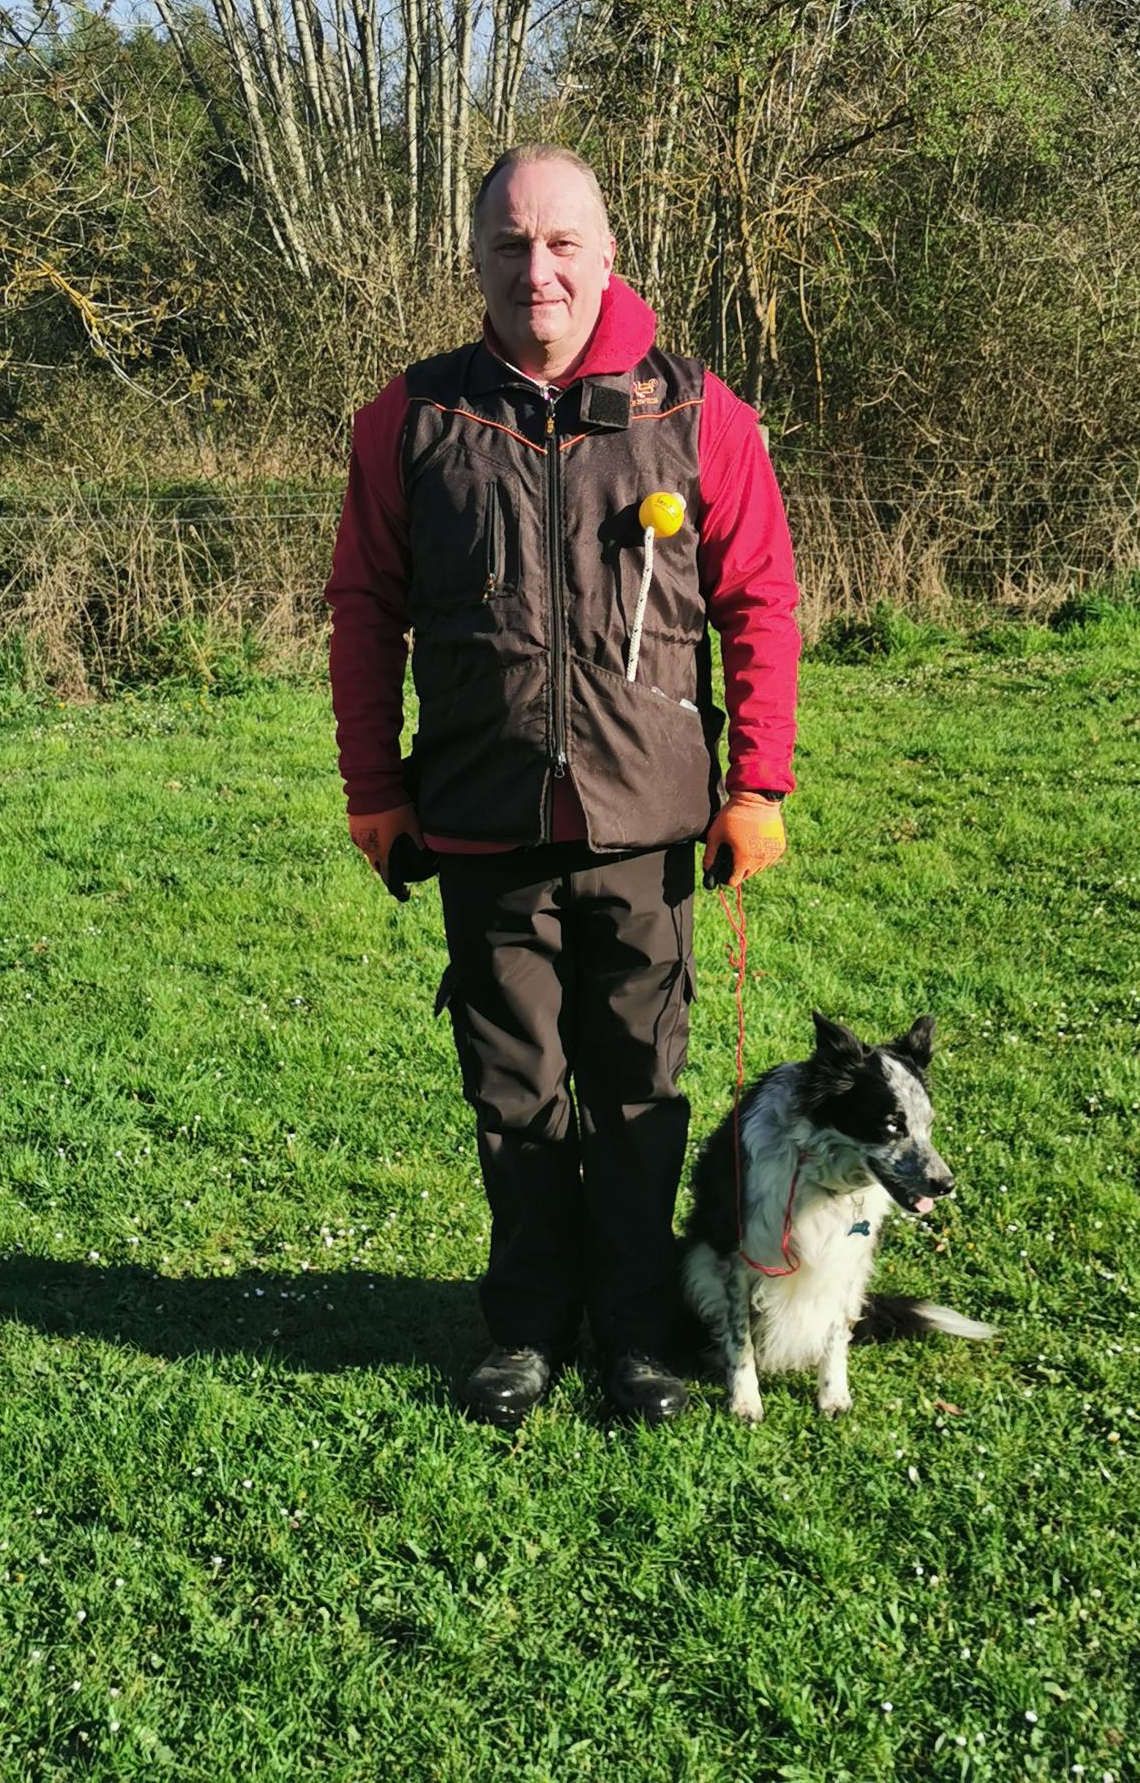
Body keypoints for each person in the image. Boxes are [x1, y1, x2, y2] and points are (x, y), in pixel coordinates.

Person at [326, 145, 799, 1427]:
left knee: (640, 1094)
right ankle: (527, 1329)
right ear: (475, 255)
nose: (536, 270)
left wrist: (756, 784)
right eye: (509, 244)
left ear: (606, 250)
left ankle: (637, 1333)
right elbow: (363, 608)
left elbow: (759, 602)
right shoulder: (412, 419)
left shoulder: (701, 414)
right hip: (480, 820)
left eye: (560, 244)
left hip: (650, 825)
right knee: (514, 1092)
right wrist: (376, 784)